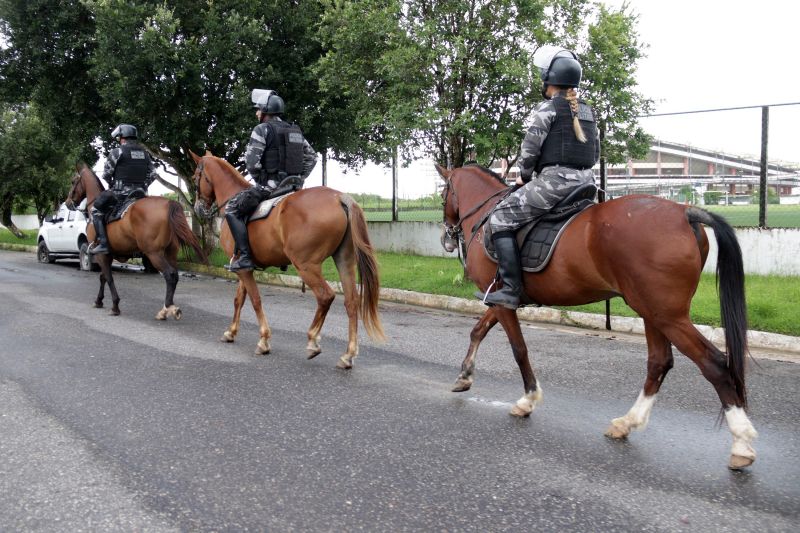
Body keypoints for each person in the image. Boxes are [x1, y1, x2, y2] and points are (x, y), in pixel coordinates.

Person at [478, 47, 600, 309]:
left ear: (548, 78)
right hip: (587, 183)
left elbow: (530, 148)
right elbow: (596, 152)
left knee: (500, 218)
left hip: (554, 184)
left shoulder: (548, 108)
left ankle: (511, 290)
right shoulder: (588, 112)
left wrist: (523, 176)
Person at [224, 89, 318, 272]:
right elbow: (312, 157)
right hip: (293, 187)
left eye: (258, 109)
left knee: (232, 209)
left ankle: (245, 257)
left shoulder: (262, 129)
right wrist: (300, 178)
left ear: (266, 110)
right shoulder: (295, 130)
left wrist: (261, 180)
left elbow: (252, 163)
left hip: (271, 187)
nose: (256, 113)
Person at [89, 124, 158, 255]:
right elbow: (153, 174)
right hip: (141, 194)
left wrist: (113, 185)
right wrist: (143, 185)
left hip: (121, 194)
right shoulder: (144, 153)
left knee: (96, 210)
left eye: (119, 137)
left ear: (122, 137)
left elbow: (106, 174)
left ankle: (103, 244)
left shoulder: (117, 152)